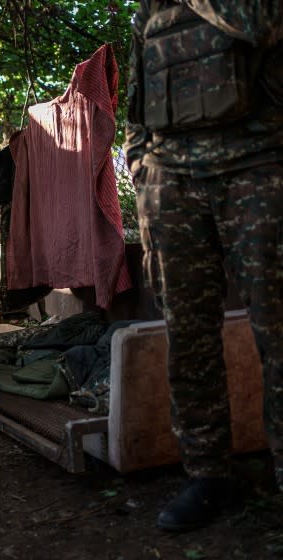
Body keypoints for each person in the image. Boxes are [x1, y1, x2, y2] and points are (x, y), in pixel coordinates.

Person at [124, 0, 283, 533]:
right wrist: (143, 169)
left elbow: (260, 22)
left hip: (259, 167)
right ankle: (208, 473)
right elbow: (137, 95)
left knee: (277, 333)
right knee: (188, 337)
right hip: (172, 184)